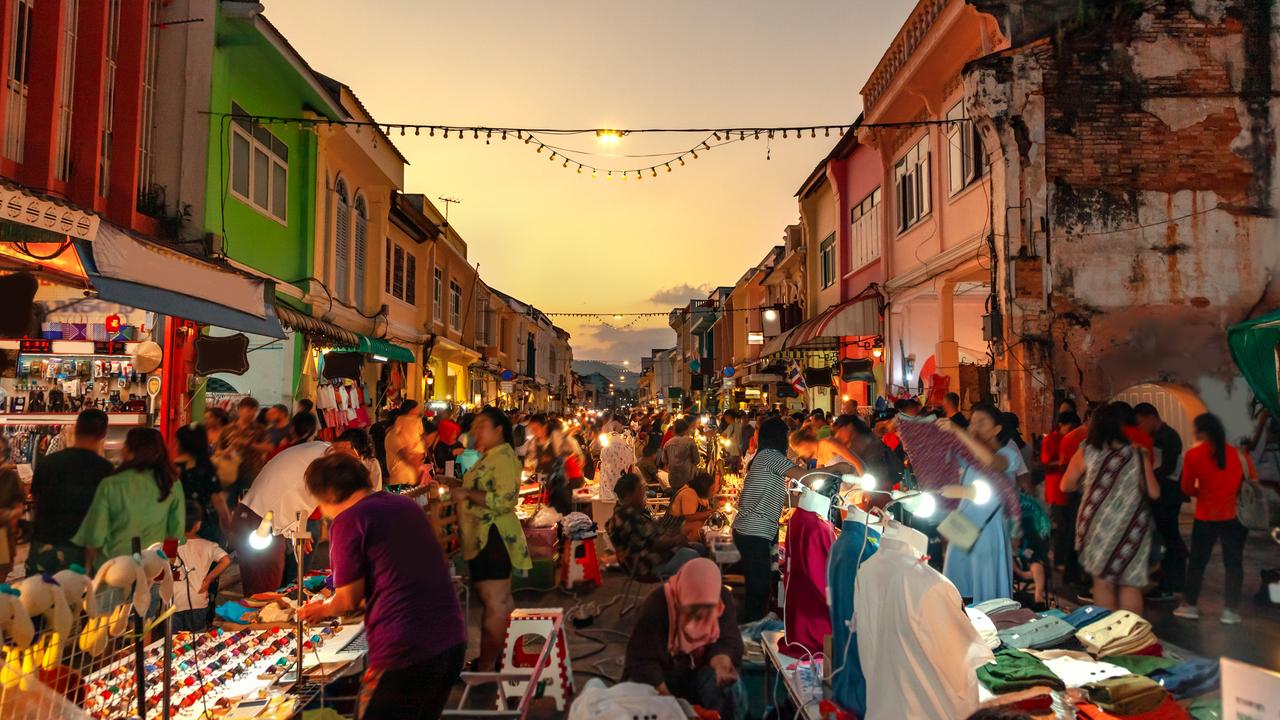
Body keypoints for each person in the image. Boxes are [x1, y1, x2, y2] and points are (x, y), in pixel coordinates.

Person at [298, 452, 466, 720]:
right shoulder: (404, 505)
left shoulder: (348, 521)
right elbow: (399, 573)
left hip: (407, 649)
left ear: (328, 494)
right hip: (451, 640)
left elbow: (347, 600)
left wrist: (318, 610)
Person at [447, 406, 530, 672]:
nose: (475, 431)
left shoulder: (503, 457)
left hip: (491, 537)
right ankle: (504, 658)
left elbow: (506, 500)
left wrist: (467, 495)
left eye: (482, 426)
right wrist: (456, 486)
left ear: (498, 430)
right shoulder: (492, 456)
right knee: (501, 601)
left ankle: (485, 666)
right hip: (486, 537)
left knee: (494, 602)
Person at [1061, 403, 1160, 615]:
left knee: (1103, 582)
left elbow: (1065, 485)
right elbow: (1154, 492)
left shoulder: (1086, 450)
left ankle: (1111, 639)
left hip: (1096, 524)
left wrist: (1090, 484)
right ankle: (1132, 638)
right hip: (1131, 524)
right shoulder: (1136, 452)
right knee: (1130, 582)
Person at [623, 558, 744, 718]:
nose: (698, 616)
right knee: (636, 695)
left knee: (730, 690)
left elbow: (727, 640)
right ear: (681, 597)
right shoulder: (658, 603)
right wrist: (672, 705)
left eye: (707, 609)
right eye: (691, 608)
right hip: (664, 676)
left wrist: (721, 664)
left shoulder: (721, 599)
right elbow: (642, 661)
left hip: (699, 672)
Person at [937, 404, 1026, 604]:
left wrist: (960, 432)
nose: (974, 427)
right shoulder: (966, 456)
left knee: (987, 592)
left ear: (997, 429)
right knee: (957, 589)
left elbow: (991, 463)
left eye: (981, 423)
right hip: (963, 526)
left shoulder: (1008, 454)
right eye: (972, 423)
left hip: (988, 529)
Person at [1174, 413, 1255, 625]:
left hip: (1206, 516)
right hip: (1235, 516)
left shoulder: (1194, 455)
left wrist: (1202, 492)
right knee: (1234, 563)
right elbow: (1252, 479)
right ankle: (1230, 610)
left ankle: (1190, 605)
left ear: (1201, 431)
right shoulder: (1238, 454)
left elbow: (1186, 487)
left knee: (1198, 563)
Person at [73, 427, 185, 570]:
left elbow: (95, 537)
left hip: (114, 570)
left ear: (129, 450)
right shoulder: (171, 484)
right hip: (152, 569)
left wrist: (88, 569)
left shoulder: (111, 484)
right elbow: (175, 534)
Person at [731, 417, 807, 622]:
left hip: (757, 532)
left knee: (767, 584)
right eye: (787, 436)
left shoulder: (763, 458)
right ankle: (748, 636)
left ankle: (754, 629)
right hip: (755, 532)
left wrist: (807, 501)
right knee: (759, 590)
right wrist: (836, 471)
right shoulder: (771, 456)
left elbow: (781, 496)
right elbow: (805, 477)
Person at [27, 409, 114, 574]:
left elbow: (36, 501)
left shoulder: (48, 463)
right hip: (80, 551)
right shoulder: (105, 470)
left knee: (37, 597)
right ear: (103, 434)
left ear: (76, 428)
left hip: (43, 544)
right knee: (76, 598)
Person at [1134, 403, 1186, 602]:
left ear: (1151, 417)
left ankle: (1172, 583)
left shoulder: (1168, 437)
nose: (1140, 428)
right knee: (1167, 536)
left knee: (1170, 536)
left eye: (1140, 423)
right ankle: (1171, 579)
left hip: (1168, 493)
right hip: (1163, 492)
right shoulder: (1159, 436)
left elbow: (1168, 467)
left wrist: (1148, 478)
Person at [608, 472, 703, 578]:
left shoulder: (628, 512)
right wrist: (676, 540)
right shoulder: (627, 516)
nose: (644, 492)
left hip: (652, 557)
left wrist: (673, 536)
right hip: (646, 565)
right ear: (631, 493)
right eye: (641, 489)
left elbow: (650, 535)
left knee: (698, 547)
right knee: (694, 555)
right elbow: (653, 544)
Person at [171, 502, 230, 632]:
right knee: (196, 639)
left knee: (175, 642)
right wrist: (208, 579)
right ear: (198, 525)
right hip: (198, 600)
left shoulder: (170, 544)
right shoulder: (208, 545)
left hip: (174, 603)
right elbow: (226, 560)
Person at [1042, 411, 1081, 587]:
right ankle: (1059, 562)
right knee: (1061, 527)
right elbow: (1045, 463)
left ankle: (1065, 561)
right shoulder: (1051, 439)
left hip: (1070, 489)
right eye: (1070, 427)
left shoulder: (1073, 440)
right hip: (1056, 488)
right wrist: (1064, 464)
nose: (1071, 431)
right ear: (1062, 425)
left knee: (1069, 527)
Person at [175, 423, 229, 546]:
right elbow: (219, 502)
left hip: (176, 526)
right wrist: (227, 528)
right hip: (203, 527)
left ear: (180, 444)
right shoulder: (206, 468)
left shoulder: (170, 469)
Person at [831, 414, 903, 490]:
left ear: (850, 427)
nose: (837, 436)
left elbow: (858, 465)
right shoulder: (862, 438)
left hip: (877, 486)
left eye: (840, 430)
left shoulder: (863, 441)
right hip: (873, 484)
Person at [788, 426, 864, 474]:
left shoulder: (827, 443)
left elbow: (856, 462)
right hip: (844, 492)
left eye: (798, 449)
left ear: (804, 443)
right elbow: (819, 476)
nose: (800, 454)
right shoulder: (819, 458)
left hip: (859, 483)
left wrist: (866, 490)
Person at [384, 401, 425, 487]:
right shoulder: (394, 436)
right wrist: (418, 471)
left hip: (410, 481)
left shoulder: (408, 435)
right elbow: (407, 456)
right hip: (401, 482)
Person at [669, 471, 716, 543]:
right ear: (704, 487)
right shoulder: (689, 493)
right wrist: (712, 512)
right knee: (698, 525)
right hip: (672, 529)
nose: (714, 491)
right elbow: (690, 517)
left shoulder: (699, 494)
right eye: (712, 489)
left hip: (682, 527)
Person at [660, 419, 700, 495]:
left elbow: (664, 461)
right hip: (688, 480)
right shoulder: (690, 442)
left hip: (673, 480)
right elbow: (697, 460)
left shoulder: (668, 443)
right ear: (686, 429)